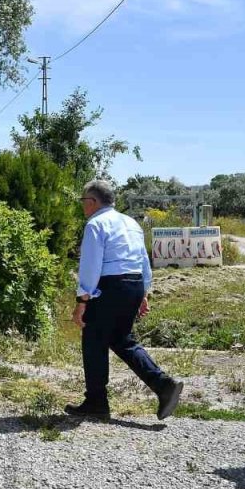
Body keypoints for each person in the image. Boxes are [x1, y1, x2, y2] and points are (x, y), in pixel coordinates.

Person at [66, 180, 184, 420]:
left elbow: (90, 266)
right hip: (133, 284)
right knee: (122, 340)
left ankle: (96, 401)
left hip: (110, 286)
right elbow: (143, 260)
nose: (82, 207)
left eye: (83, 202)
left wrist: (82, 300)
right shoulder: (131, 223)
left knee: (93, 340)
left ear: (93, 201)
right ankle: (163, 386)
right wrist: (144, 293)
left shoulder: (95, 224)